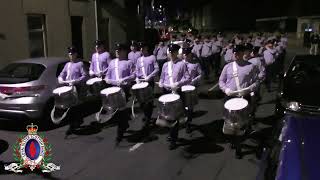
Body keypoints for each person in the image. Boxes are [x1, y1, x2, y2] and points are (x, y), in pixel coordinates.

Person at [219, 44, 259, 159]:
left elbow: (256, 82)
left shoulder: (251, 66)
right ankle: (234, 141)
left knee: (240, 124)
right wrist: (226, 89)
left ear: (243, 53)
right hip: (230, 98)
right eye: (235, 53)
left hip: (243, 98)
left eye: (239, 53)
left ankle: (238, 147)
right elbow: (221, 81)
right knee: (230, 123)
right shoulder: (227, 67)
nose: (236, 55)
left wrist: (248, 89)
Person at [159, 43, 190, 150]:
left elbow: (187, 78)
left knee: (175, 117)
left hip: (177, 92)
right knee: (167, 115)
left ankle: (173, 139)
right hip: (167, 92)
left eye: (173, 52)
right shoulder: (165, 65)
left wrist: (177, 84)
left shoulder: (182, 64)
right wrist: (161, 83)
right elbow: (162, 78)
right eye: (170, 52)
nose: (171, 54)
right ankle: (171, 133)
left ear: (177, 53)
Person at [105, 43, 135, 145]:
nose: (117, 52)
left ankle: (120, 134)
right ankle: (125, 123)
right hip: (113, 89)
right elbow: (107, 76)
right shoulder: (112, 62)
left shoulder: (129, 62)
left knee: (120, 111)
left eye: (119, 50)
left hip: (124, 90)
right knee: (117, 111)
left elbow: (134, 75)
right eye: (116, 50)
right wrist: (109, 80)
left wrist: (124, 79)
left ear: (124, 51)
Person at [58, 46, 89, 136]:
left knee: (74, 107)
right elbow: (62, 74)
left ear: (76, 54)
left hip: (77, 87)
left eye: (73, 54)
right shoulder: (67, 65)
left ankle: (73, 124)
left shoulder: (80, 64)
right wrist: (60, 78)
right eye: (70, 54)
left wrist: (76, 81)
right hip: (68, 87)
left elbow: (85, 76)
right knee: (70, 106)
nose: (71, 56)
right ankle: (76, 121)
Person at [135, 42, 159, 132]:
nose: (141, 49)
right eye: (140, 48)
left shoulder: (152, 57)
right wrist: (137, 78)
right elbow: (137, 70)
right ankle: (146, 114)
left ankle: (148, 117)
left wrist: (150, 76)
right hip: (141, 82)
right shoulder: (139, 59)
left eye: (143, 48)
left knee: (148, 101)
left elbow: (157, 69)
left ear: (146, 48)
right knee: (141, 101)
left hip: (149, 82)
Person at [182, 47, 202, 134]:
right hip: (181, 87)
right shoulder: (179, 64)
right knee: (182, 106)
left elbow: (201, 74)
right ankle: (183, 121)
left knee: (190, 107)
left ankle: (188, 123)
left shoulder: (196, 64)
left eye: (187, 54)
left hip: (191, 87)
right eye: (184, 54)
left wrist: (194, 81)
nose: (185, 56)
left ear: (190, 54)